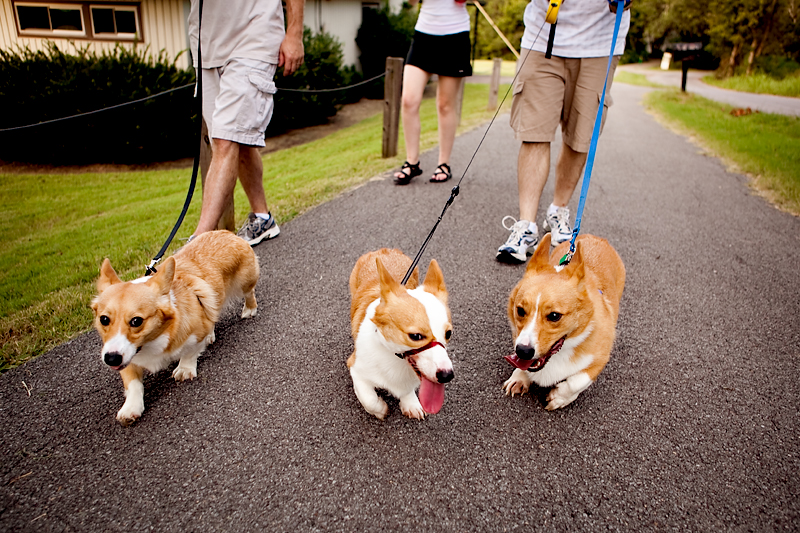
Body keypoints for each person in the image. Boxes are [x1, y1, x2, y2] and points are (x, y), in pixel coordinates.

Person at [496, 0, 631, 263]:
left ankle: (558, 211)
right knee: (534, 131)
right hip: (544, 35)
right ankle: (526, 225)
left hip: (600, 44)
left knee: (581, 136)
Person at [187, 0, 304, 245]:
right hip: (206, 45)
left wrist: (294, 33)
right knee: (237, 139)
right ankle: (263, 218)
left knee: (225, 140)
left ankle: (199, 243)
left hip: (254, 37)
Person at [393, 0, 472, 186]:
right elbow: (410, 2)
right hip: (424, 34)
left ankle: (444, 164)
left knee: (445, 105)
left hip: (455, 34)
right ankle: (412, 162)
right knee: (408, 100)